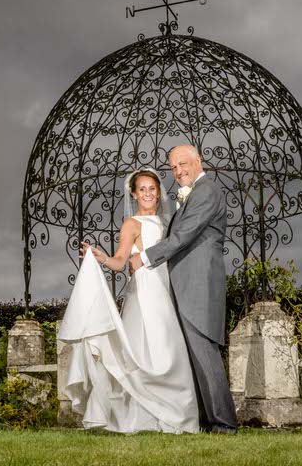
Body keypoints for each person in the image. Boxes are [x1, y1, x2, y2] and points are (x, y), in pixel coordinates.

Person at [56, 168, 199, 433]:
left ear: (159, 193)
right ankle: (139, 416)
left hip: (167, 290)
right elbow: (120, 261)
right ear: (133, 194)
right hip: (144, 293)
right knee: (143, 351)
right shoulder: (131, 224)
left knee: (169, 348)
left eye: (152, 189)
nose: (147, 193)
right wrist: (101, 258)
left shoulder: (169, 224)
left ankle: (176, 415)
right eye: (142, 189)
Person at [129, 144, 239, 434]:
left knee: (204, 353)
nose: (178, 171)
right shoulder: (192, 194)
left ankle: (224, 425)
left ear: (198, 161)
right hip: (185, 285)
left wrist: (144, 256)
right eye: (173, 167)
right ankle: (206, 422)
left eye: (183, 164)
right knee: (194, 357)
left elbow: (183, 235)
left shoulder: (207, 191)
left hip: (198, 284)